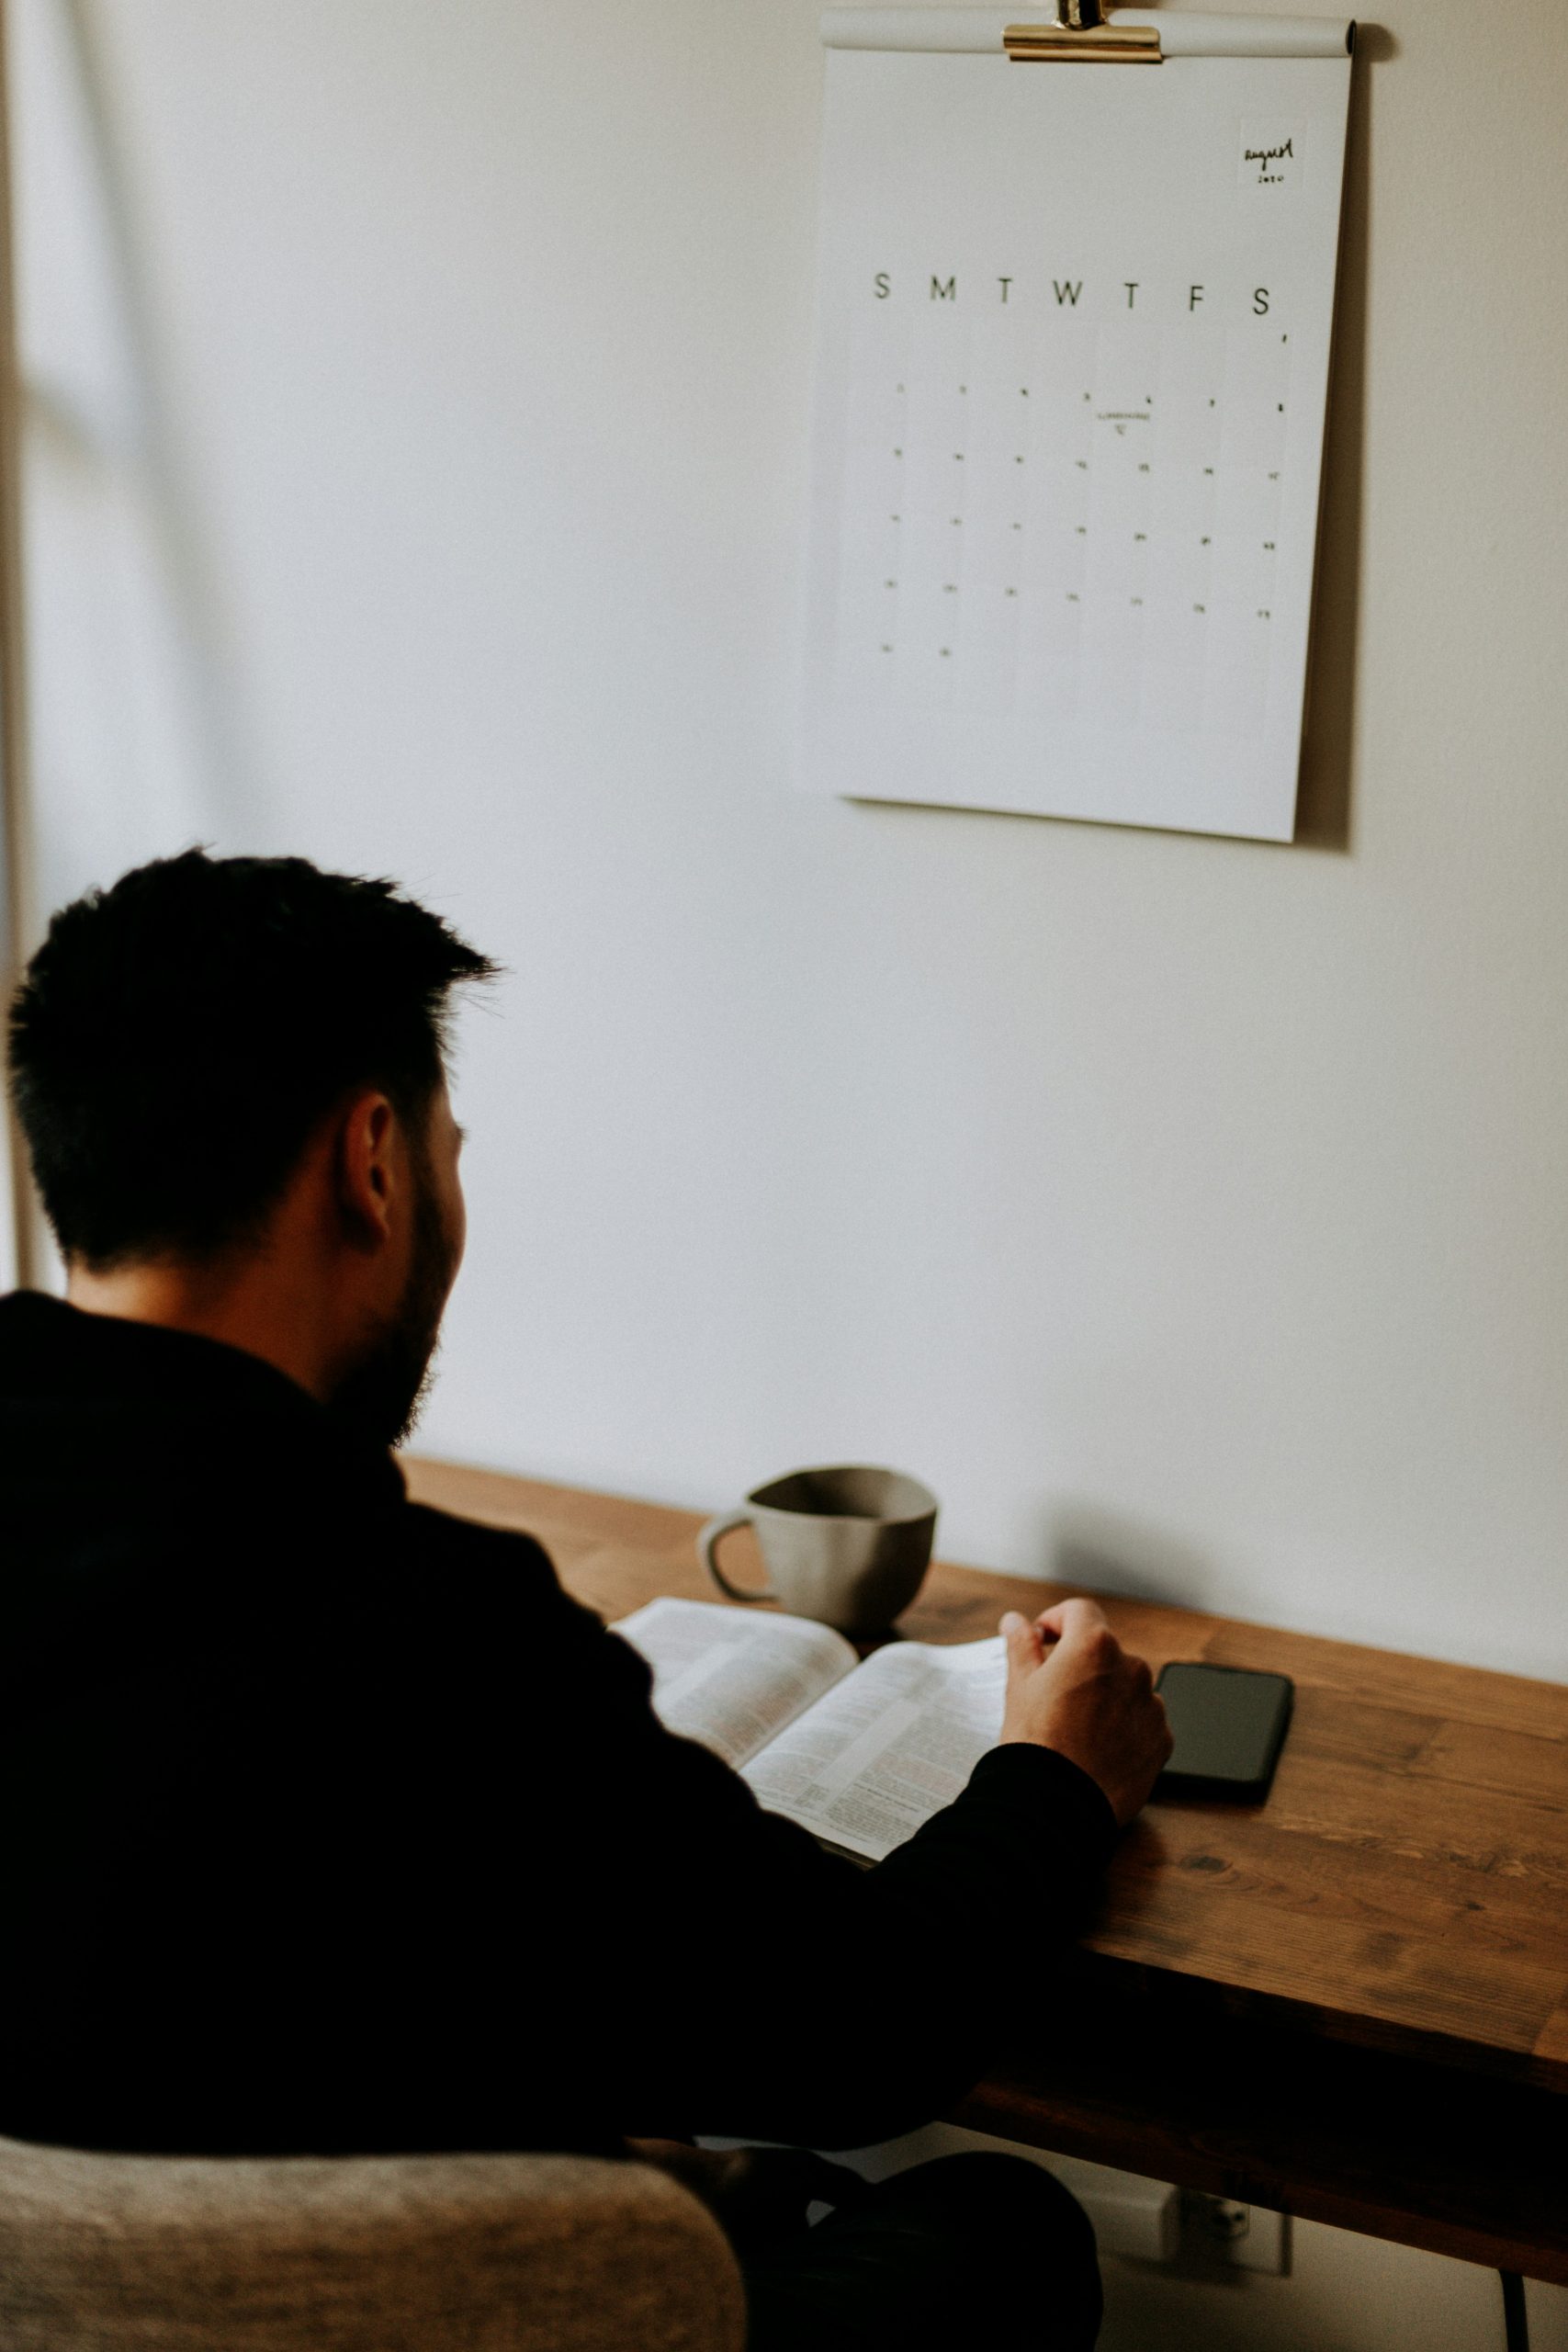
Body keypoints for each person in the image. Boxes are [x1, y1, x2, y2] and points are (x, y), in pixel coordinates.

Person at [0, 849, 1171, 2351]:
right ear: (373, 1163)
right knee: (997, 2228)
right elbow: (862, 2038)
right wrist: (1058, 1780)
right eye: (448, 1151)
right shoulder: (425, 1628)